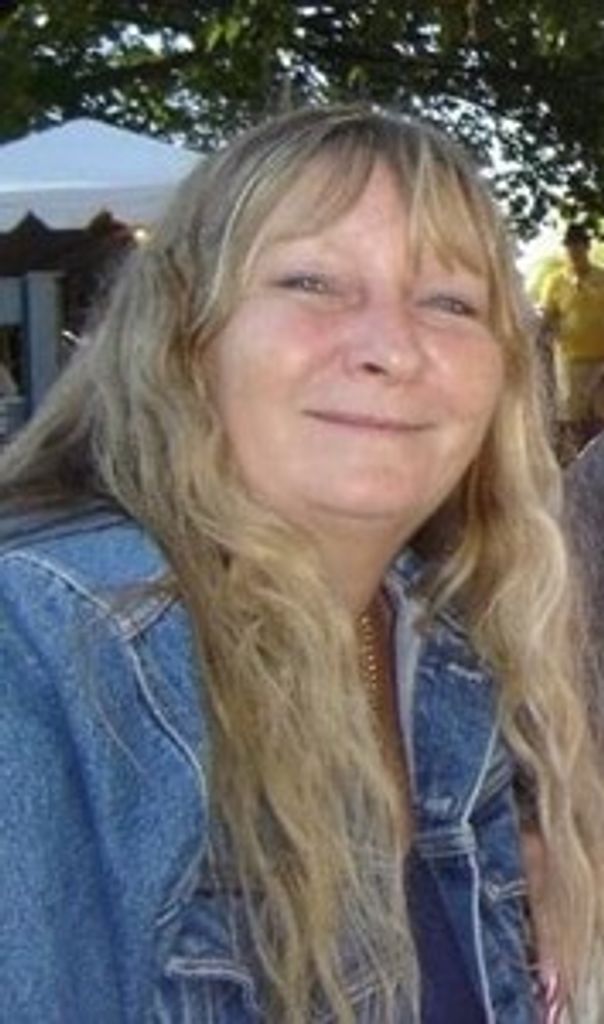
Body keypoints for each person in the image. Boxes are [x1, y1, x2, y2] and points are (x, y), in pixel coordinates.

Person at [0, 105, 602, 1023]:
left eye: (449, 302)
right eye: (312, 281)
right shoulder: (51, 657)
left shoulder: (443, 657)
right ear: (184, 336)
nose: (390, 348)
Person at [539, 222, 604, 458]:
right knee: (574, 419)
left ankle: (599, 463)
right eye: (569, 246)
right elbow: (547, 318)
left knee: (600, 417)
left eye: (578, 245)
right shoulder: (555, 282)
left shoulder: (602, 277)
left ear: (587, 247)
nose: (574, 251)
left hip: (601, 360)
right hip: (571, 361)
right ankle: (579, 462)